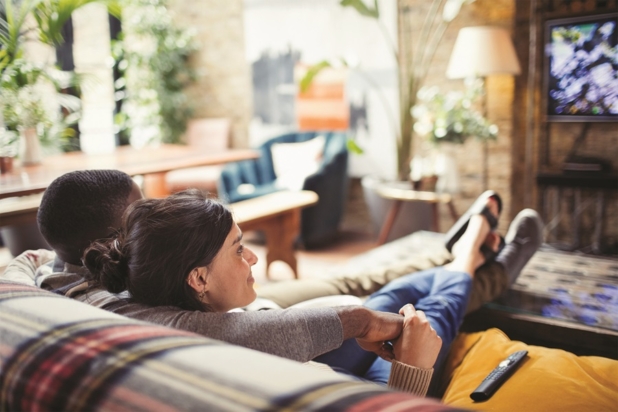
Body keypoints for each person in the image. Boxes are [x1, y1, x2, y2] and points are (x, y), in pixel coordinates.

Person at [81, 189, 540, 395]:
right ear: (198, 280)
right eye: (240, 250)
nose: (254, 259)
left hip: (315, 354)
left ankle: (469, 256)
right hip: (347, 382)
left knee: (392, 293)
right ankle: (471, 257)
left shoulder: (139, 300)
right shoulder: (220, 347)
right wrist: (413, 370)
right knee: (432, 312)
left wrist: (357, 318)